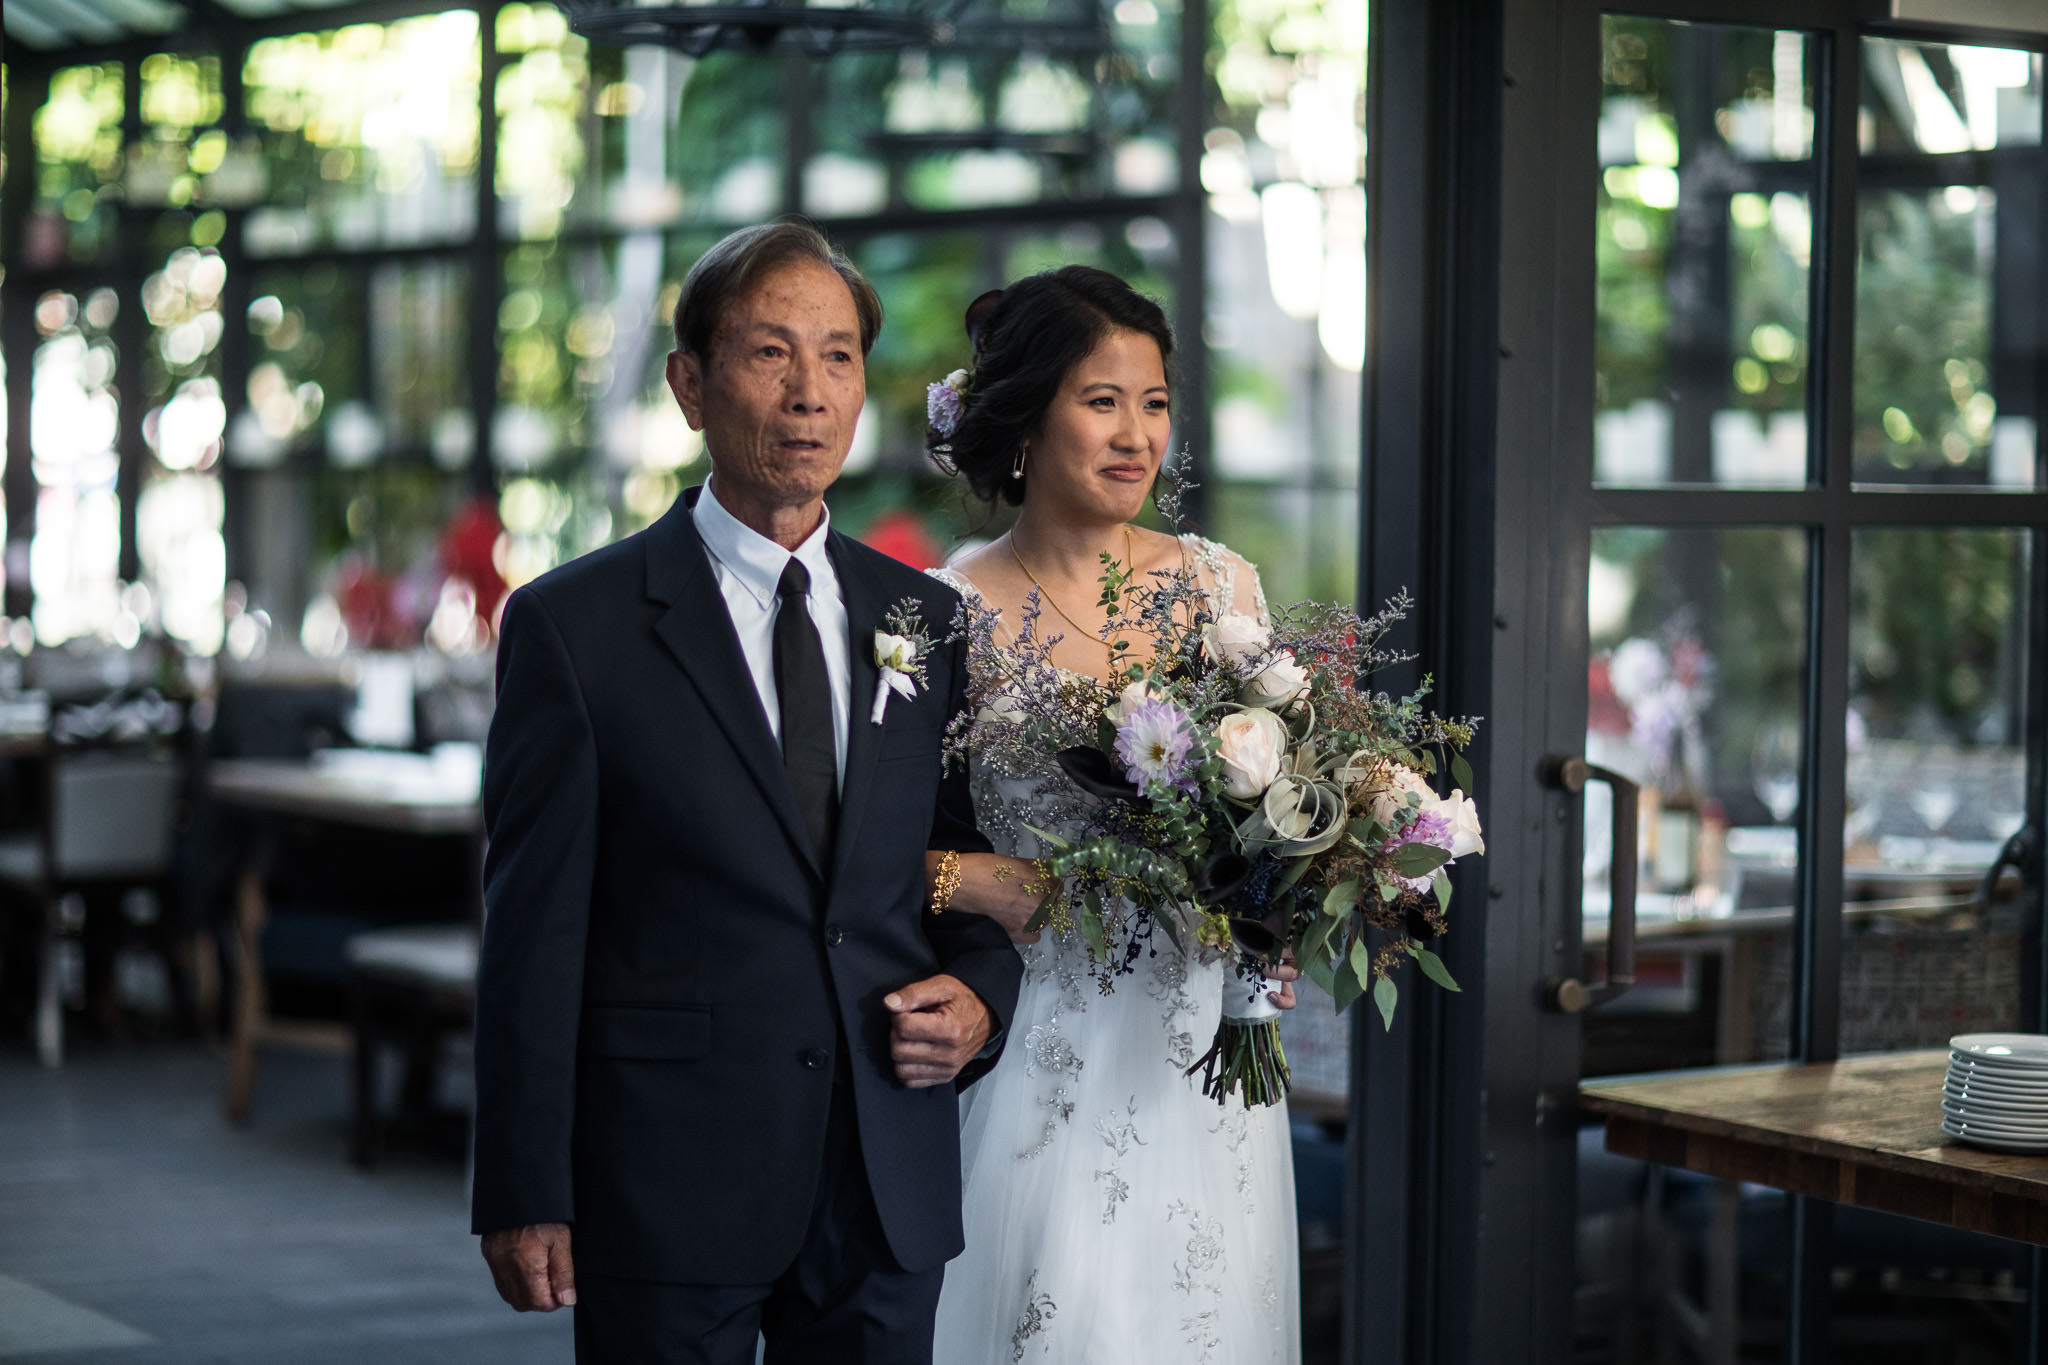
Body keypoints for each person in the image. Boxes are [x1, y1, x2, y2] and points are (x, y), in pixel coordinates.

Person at [470, 219, 1025, 1365]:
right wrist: (523, 1183)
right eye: (770, 353)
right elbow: (531, 930)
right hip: (667, 1176)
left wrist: (980, 1001)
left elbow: (962, 861)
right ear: (690, 384)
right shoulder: (574, 629)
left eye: (837, 357)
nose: (808, 394)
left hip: (882, 1174)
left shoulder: (923, 618)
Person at [922, 266, 1303, 1363]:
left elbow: (1276, 800)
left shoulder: (1220, 589)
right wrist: (967, 883)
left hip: (1204, 1048)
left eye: (1152, 402)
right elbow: (891, 840)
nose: (1134, 434)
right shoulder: (949, 614)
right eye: (1100, 401)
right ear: (1026, 419)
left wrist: (1291, 902)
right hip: (1040, 1045)